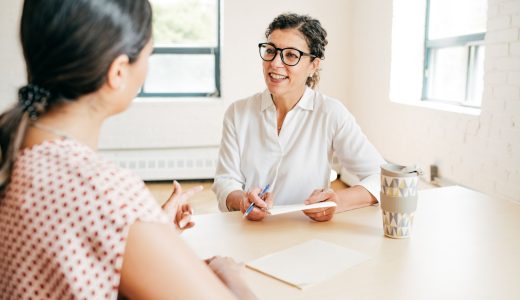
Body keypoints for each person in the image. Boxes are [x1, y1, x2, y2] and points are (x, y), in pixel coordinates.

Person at [0, 1, 255, 299]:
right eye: (149, 55)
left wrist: (146, 236)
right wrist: (229, 274)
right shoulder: (107, 194)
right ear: (119, 71)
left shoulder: (15, 151)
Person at [213, 13, 386, 222]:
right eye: (270, 51)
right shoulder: (238, 113)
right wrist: (241, 200)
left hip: (307, 231)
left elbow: (382, 177)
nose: (275, 63)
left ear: (313, 65)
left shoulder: (330, 113)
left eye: (291, 55)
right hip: (250, 229)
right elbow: (225, 180)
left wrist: (336, 201)